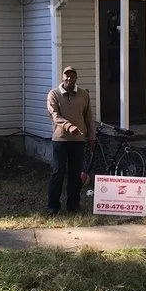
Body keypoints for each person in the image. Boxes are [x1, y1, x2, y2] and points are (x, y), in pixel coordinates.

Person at [46, 66, 95, 215]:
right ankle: (53, 206)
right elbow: (55, 115)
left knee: (75, 174)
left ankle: (73, 205)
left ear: (76, 78)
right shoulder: (54, 94)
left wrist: (91, 137)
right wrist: (69, 126)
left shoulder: (83, 95)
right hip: (60, 140)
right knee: (58, 172)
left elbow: (89, 118)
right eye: (66, 76)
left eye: (72, 76)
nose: (69, 79)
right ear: (62, 78)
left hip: (78, 140)